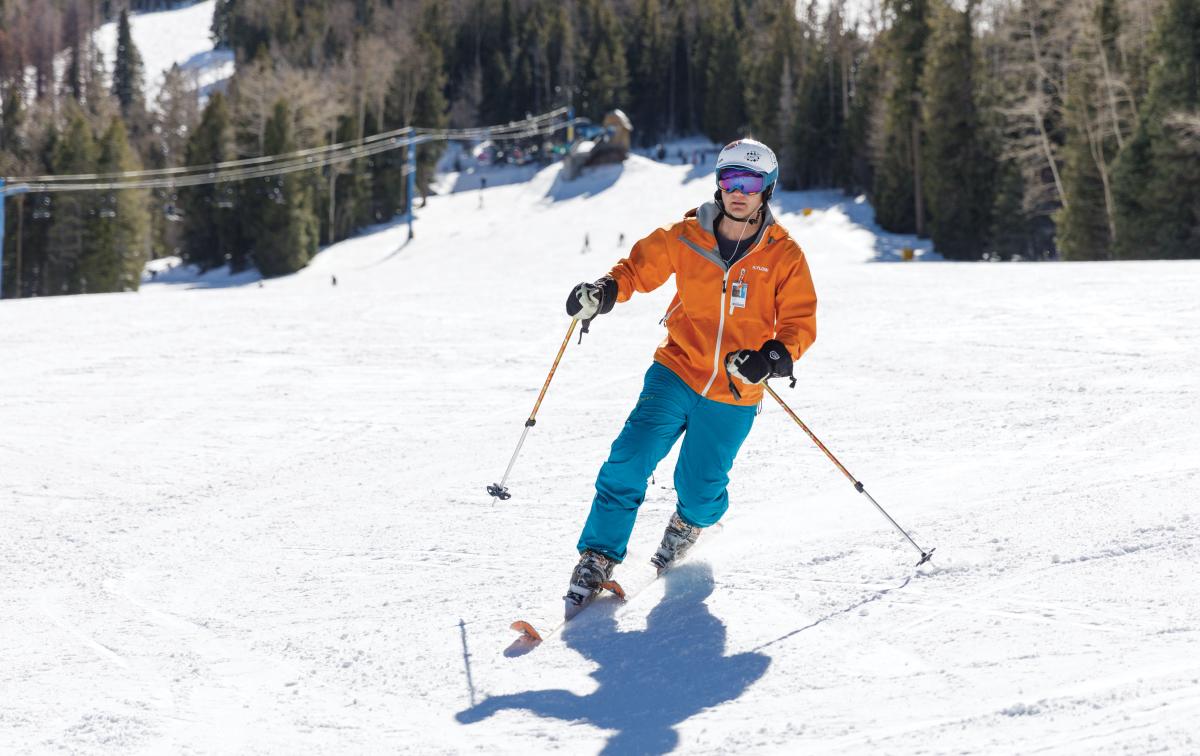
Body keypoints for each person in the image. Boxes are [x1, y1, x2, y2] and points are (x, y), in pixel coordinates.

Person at [562, 138, 818, 607]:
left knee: (699, 490)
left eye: (750, 182)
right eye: (729, 180)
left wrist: (772, 358)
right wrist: (604, 291)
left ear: (768, 189)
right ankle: (598, 554)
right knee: (630, 456)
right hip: (676, 368)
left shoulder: (783, 255)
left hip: (734, 389)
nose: (738, 191)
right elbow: (636, 270)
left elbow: (799, 323)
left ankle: (691, 522)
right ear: (718, 183)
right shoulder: (686, 236)